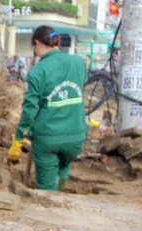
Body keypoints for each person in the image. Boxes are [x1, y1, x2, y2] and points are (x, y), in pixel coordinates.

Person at [7, 26, 87, 191]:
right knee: (62, 171)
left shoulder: (37, 72)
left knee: (46, 191)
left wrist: (19, 138)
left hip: (48, 139)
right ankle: (61, 187)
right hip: (76, 137)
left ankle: (52, 197)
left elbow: (30, 110)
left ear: (37, 43)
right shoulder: (79, 63)